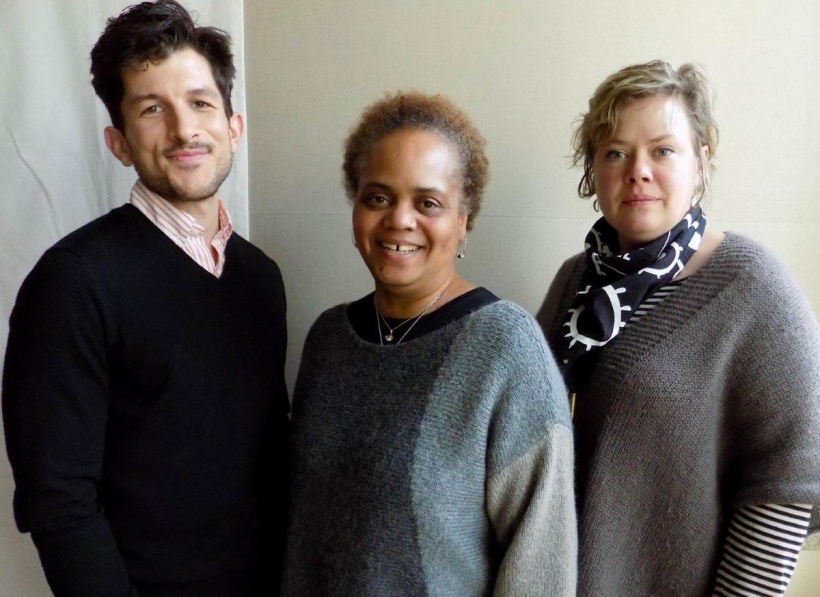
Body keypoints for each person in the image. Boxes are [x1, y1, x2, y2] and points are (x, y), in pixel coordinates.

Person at [2, 2, 288, 595]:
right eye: (153, 109)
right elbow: (58, 500)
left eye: (201, 103)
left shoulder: (260, 277)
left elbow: (268, 459)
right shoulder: (73, 282)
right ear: (120, 143)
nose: (185, 129)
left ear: (234, 127)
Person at [537, 60, 820, 596]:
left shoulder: (757, 291)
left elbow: (786, 487)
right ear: (592, 168)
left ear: (701, 160)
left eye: (662, 151)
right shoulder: (572, 283)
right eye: (615, 152)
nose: (637, 170)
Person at [281, 91, 576, 596]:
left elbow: (540, 564)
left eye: (428, 203)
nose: (399, 219)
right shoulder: (329, 339)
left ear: (464, 221)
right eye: (378, 197)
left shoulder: (506, 347)